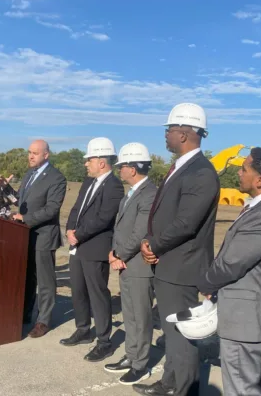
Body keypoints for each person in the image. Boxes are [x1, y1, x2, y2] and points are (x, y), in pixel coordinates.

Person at [137, 103, 220, 396]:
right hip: (167, 261)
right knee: (172, 335)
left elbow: (186, 223)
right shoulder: (181, 167)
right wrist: (149, 240)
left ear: (184, 133)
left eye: (169, 130)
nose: (166, 135)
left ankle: (186, 389)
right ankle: (169, 383)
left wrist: (154, 244)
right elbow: (163, 214)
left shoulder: (201, 172)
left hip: (181, 266)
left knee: (182, 337)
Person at [198, 147, 261, 396]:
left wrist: (207, 283)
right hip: (248, 316)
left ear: (260, 180)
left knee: (241, 387)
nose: (239, 173)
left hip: (247, 319)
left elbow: (231, 263)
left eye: (244, 169)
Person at [60, 137, 124, 362]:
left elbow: (103, 218)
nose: (86, 163)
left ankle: (104, 341)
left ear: (102, 162)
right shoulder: (88, 183)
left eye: (89, 160)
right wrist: (69, 229)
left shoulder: (114, 186)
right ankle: (83, 329)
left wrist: (78, 234)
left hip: (95, 247)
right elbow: (77, 208)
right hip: (78, 245)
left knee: (97, 294)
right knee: (77, 290)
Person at [104, 142, 157, 386]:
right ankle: (132, 354)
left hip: (137, 266)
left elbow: (139, 233)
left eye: (122, 166)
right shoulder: (134, 192)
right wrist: (116, 254)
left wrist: (119, 254)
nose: (119, 170)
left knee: (140, 316)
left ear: (133, 168)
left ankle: (140, 364)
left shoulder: (149, 193)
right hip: (126, 263)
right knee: (130, 315)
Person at [12, 140, 67, 338]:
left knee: (45, 281)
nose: (30, 156)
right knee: (27, 278)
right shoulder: (29, 174)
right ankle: (25, 314)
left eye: (35, 153)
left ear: (46, 155)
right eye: (29, 152)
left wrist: (26, 219)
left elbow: (52, 209)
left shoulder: (56, 178)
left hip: (43, 236)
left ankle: (43, 321)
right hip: (24, 235)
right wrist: (7, 192)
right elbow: (21, 201)